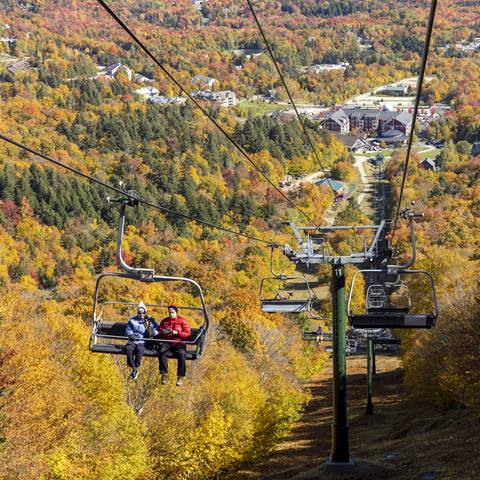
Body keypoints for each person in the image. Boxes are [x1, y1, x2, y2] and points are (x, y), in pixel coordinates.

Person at [156, 305, 191, 387]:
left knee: (182, 354)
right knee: (162, 352)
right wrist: (163, 332)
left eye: (173, 312)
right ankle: (164, 374)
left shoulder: (182, 321)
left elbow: (187, 333)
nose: (171, 314)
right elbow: (158, 332)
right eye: (170, 312)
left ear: (176, 312)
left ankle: (180, 376)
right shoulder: (165, 321)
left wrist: (176, 333)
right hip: (167, 341)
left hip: (178, 342)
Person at [125, 302, 158, 381]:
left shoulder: (149, 321)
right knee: (128, 349)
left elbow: (157, 330)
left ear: (145, 312)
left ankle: (135, 367)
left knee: (140, 350)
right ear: (137, 313)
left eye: (143, 313)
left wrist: (150, 330)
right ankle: (134, 368)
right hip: (133, 340)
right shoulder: (132, 320)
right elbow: (128, 330)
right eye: (139, 313)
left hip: (143, 341)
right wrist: (131, 335)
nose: (141, 314)